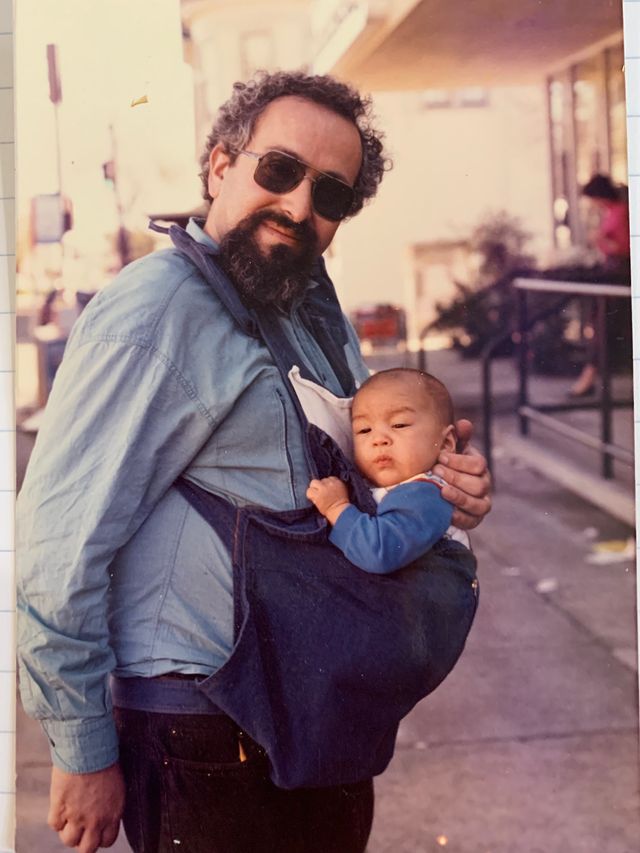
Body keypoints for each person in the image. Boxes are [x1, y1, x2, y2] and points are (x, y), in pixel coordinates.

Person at [17, 71, 491, 853]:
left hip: (308, 719)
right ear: (218, 166)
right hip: (200, 732)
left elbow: (359, 456)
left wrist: (435, 478)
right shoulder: (157, 310)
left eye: (331, 193)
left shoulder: (306, 300)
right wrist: (82, 747)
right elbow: (56, 547)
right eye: (280, 170)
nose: (300, 205)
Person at [307, 368, 462, 573]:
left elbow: (380, 553)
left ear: (445, 444)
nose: (378, 439)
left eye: (399, 424)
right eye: (364, 430)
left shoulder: (426, 494)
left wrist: (337, 507)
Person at [570, 173, 631, 397]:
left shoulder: (621, 211)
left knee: (603, 325)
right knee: (597, 323)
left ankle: (589, 376)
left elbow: (625, 247)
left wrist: (600, 240)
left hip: (621, 273)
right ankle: (589, 375)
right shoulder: (611, 212)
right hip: (611, 270)